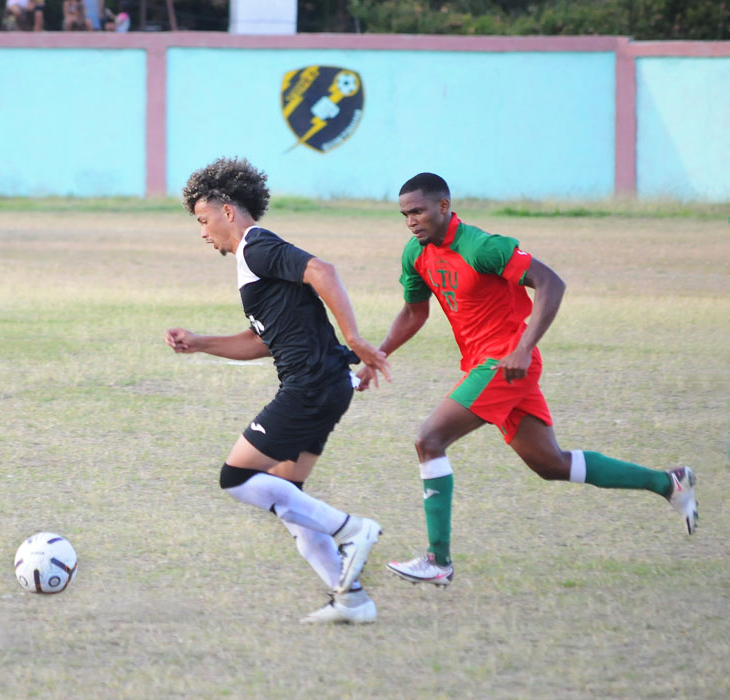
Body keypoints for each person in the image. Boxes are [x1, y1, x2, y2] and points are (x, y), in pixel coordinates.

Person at [378, 172, 699, 586]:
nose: (410, 221)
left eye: (418, 211)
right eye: (405, 214)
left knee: (429, 440)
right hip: (484, 365)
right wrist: (378, 354)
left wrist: (525, 347)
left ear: (443, 206)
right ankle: (668, 483)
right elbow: (413, 313)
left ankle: (438, 560)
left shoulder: (482, 246)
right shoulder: (416, 253)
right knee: (550, 463)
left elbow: (551, 283)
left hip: (505, 364)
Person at [166, 157, 392, 624]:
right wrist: (200, 343)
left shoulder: (257, 247)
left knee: (236, 478)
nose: (202, 232)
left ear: (228, 211)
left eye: (203, 220)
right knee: (289, 497)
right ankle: (351, 600)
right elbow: (263, 341)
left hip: (311, 384)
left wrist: (354, 338)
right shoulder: (251, 261)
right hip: (325, 383)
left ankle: (351, 530)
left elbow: (323, 271)